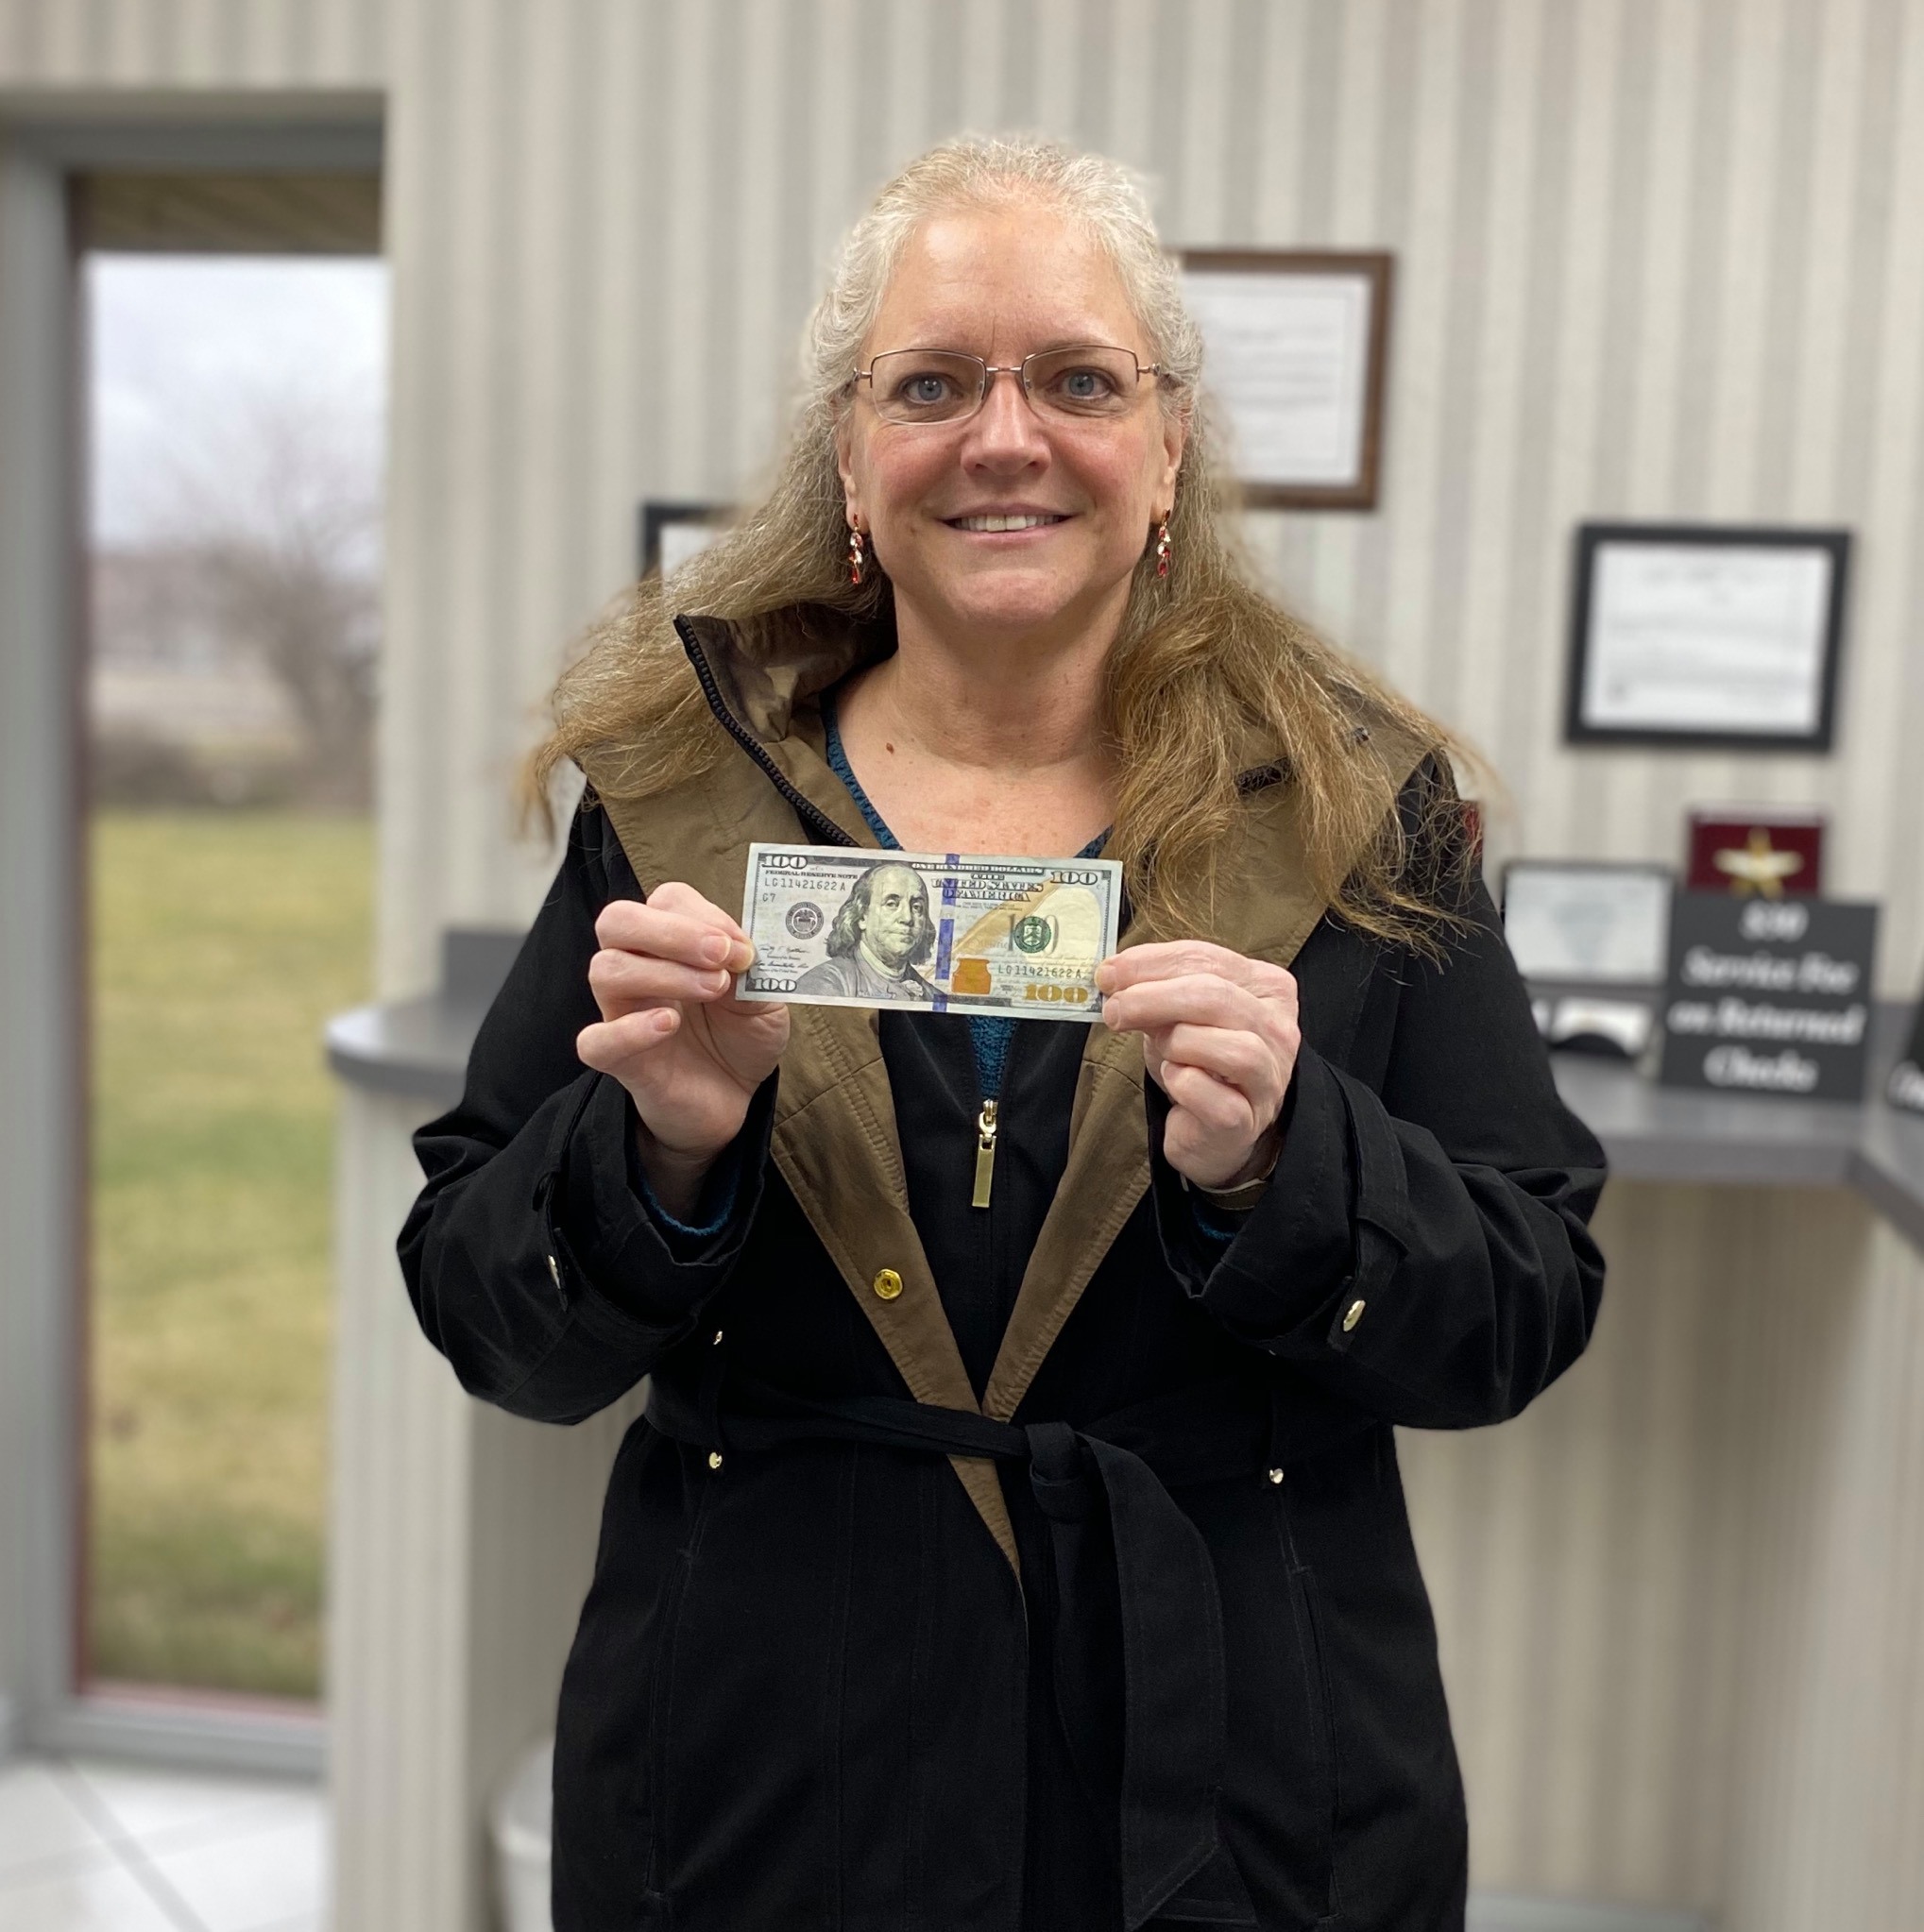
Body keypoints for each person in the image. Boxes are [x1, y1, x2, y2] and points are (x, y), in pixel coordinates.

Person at [400, 136, 1607, 1932]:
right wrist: (656, 1154)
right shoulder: (669, 802)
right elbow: (487, 1315)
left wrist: (1290, 1166)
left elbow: (1522, 1305)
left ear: (1169, 444)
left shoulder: (1359, 812)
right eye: (932, 384)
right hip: (762, 1774)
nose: (1005, 437)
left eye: (1079, 381)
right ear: (850, 457)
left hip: (1232, 1785)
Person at [792, 858, 937, 1000]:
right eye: (891, 904)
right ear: (862, 916)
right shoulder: (823, 984)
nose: (907, 918)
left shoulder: (933, 997)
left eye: (917, 907)